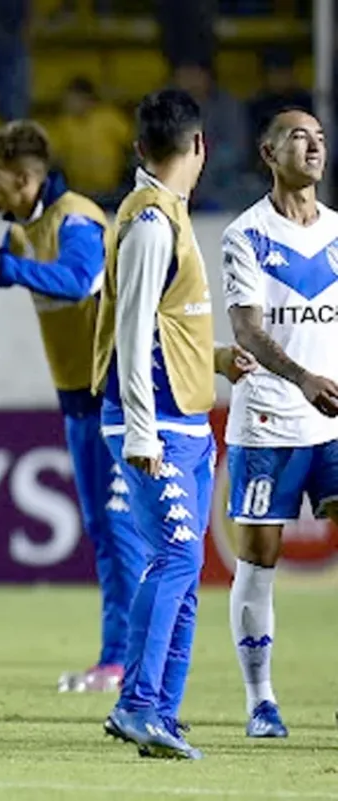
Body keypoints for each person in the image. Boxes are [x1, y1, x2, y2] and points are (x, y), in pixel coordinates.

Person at [91, 88, 255, 759]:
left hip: (183, 416)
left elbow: (165, 323)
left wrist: (215, 358)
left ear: (139, 148)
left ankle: (161, 709)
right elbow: (131, 332)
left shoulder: (170, 215)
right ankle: (135, 703)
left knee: (186, 571)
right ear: (200, 147)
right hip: (154, 420)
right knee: (179, 557)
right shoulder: (153, 223)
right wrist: (139, 429)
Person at [0, 119, 143, 694]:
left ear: (23, 178)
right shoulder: (27, 226)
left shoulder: (76, 217)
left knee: (121, 532)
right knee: (101, 528)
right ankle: (119, 659)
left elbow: (77, 278)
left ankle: (130, 662)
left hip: (115, 396)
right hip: (77, 402)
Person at [222, 108, 338, 739]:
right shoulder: (247, 236)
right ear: (268, 153)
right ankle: (260, 699)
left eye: (319, 137)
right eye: (299, 136)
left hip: (335, 428)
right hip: (269, 422)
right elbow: (247, 331)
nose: (313, 145)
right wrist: (304, 380)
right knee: (260, 559)